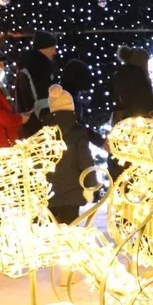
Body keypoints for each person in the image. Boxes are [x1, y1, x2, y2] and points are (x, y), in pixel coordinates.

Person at [41, 85, 94, 224]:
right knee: (70, 230)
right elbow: (85, 161)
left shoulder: (45, 133)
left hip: (50, 193)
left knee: (51, 230)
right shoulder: (78, 132)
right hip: (73, 193)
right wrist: (90, 185)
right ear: (71, 107)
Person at [15, 30, 57, 125]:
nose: (54, 52)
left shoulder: (30, 66)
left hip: (33, 121)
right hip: (41, 122)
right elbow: (41, 100)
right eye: (52, 48)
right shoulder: (38, 69)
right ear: (43, 48)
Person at [111, 46, 153, 126]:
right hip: (135, 116)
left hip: (128, 115)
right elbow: (144, 97)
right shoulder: (137, 74)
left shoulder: (123, 73)